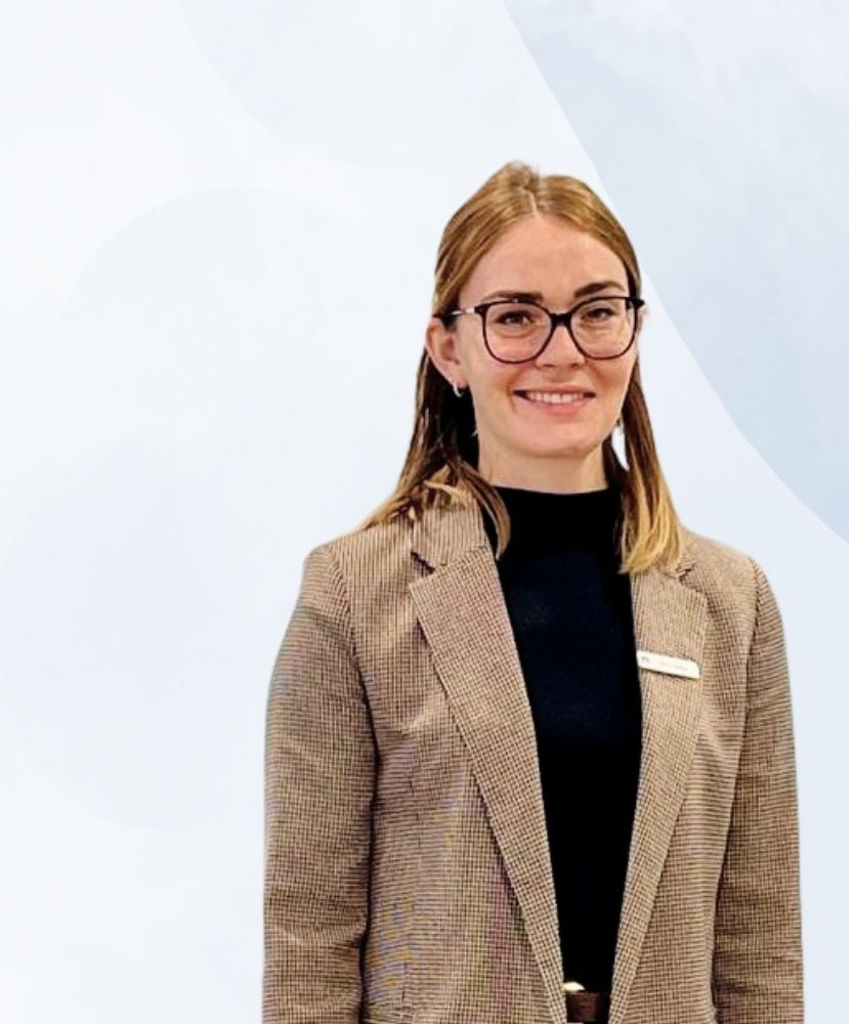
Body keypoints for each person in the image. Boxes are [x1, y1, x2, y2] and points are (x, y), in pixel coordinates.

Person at [262, 160, 803, 1024]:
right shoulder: (354, 596)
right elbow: (309, 937)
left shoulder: (730, 602)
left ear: (635, 330)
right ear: (450, 348)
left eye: (597, 312)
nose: (563, 350)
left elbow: (759, 943)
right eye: (515, 316)